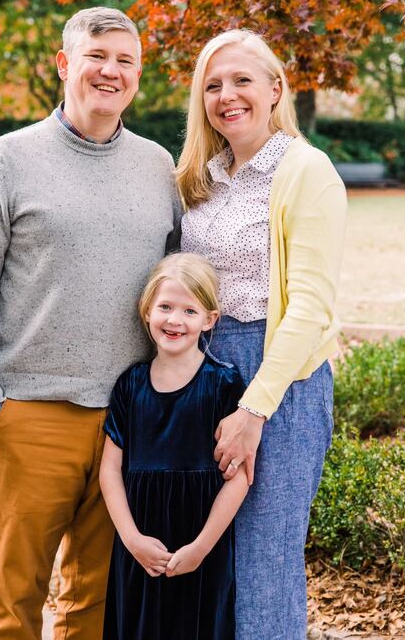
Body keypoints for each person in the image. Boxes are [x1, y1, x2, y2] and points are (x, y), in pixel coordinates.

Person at [0, 7, 182, 640]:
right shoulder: (5, 161)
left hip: (129, 419)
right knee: (12, 598)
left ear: (138, 73)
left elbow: (178, 286)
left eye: (125, 61)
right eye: (97, 57)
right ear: (64, 65)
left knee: (97, 602)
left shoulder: (160, 168)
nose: (111, 71)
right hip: (30, 413)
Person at [177, 29, 347, 640]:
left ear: (276, 90)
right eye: (213, 85)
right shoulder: (202, 175)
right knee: (203, 555)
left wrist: (253, 409)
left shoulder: (307, 171)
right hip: (201, 371)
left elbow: (309, 306)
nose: (227, 95)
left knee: (263, 560)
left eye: (242, 80)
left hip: (278, 381)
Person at [99, 252, 248, 640]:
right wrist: (132, 540)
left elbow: (240, 478)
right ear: (147, 310)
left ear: (209, 320)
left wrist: (200, 547)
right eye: (164, 307)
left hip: (201, 543)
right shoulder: (130, 385)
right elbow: (110, 470)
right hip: (140, 545)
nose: (175, 320)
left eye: (189, 310)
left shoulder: (224, 385)